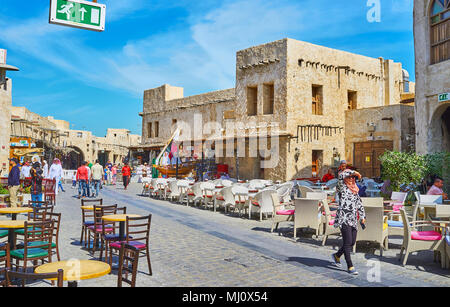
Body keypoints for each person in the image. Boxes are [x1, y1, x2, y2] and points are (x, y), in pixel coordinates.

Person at [331, 168, 366, 275]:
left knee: (352, 242)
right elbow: (341, 176)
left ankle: (337, 255)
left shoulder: (355, 190)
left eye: (353, 178)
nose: (351, 179)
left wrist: (363, 217)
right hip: (344, 218)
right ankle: (350, 266)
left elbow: (359, 204)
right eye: (349, 177)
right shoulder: (342, 187)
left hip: (353, 219)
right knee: (347, 242)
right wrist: (354, 172)